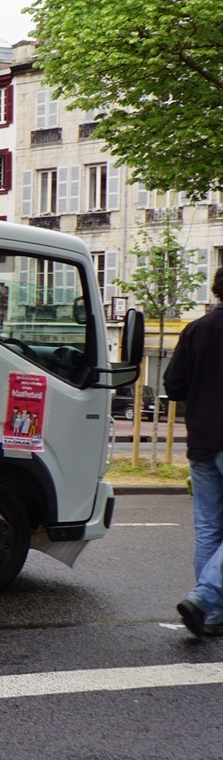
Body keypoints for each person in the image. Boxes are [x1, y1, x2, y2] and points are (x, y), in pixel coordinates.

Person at [166, 266, 223, 639]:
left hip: (202, 441)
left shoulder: (196, 329)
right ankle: (204, 599)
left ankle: (212, 614)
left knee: (208, 529)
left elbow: (172, 386)